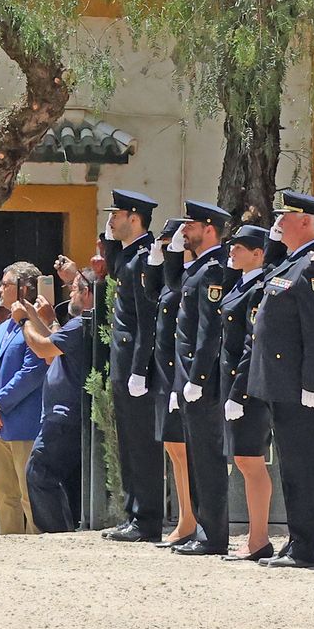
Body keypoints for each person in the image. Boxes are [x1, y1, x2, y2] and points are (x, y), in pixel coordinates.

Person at [248, 191, 314, 569]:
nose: (278, 221)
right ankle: (296, 540)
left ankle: (305, 547)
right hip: (281, 383)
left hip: (300, 387)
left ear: (305, 222)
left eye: (286, 216)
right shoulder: (293, 262)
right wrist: (271, 242)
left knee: (303, 466)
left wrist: (313, 385)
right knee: (290, 465)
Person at [167, 199, 234, 556]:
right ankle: (202, 529)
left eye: (190, 225)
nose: (184, 230)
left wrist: (197, 378)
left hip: (202, 383)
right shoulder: (199, 267)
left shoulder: (213, 270)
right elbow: (173, 285)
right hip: (187, 378)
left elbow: (210, 332)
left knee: (207, 459)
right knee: (196, 457)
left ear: (209, 229)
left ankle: (213, 535)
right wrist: (174, 254)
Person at [100, 189, 165, 544]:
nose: (110, 221)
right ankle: (134, 514)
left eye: (116, 215)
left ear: (134, 217)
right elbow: (113, 270)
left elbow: (146, 319)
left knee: (141, 443)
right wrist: (109, 239)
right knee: (129, 440)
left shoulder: (145, 258)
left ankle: (147, 519)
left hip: (136, 364)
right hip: (124, 362)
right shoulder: (131, 256)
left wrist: (140, 368)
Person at [137, 216, 198, 546]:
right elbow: (151, 293)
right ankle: (185, 517)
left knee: (184, 449)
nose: (165, 250)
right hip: (165, 373)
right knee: (174, 449)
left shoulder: (189, 278)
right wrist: (157, 258)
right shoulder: (172, 278)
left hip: (180, 373)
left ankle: (191, 519)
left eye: (170, 245)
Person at [21, 270, 96, 533]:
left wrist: (23, 323)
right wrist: (37, 317)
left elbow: (43, 348)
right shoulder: (79, 324)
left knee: (39, 473)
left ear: (87, 293)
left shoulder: (81, 323)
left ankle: (56, 533)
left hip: (65, 415)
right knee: (61, 478)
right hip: (66, 414)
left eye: (74, 288)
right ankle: (64, 530)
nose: (70, 293)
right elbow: (53, 353)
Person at [217, 224, 274, 561]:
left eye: (241, 248)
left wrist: (238, 393)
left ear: (258, 254)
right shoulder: (239, 284)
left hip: (249, 386)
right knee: (243, 459)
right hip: (233, 382)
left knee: (251, 460)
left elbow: (252, 345)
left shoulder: (259, 289)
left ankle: (259, 539)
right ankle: (256, 538)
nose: (232, 252)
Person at [0, 262, 46, 535]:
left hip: (23, 422)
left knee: (28, 495)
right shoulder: (3, 327)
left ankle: (34, 551)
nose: (0, 289)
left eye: (5, 284)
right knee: (4, 494)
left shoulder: (33, 324)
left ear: (24, 289)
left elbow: (34, 370)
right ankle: (9, 548)